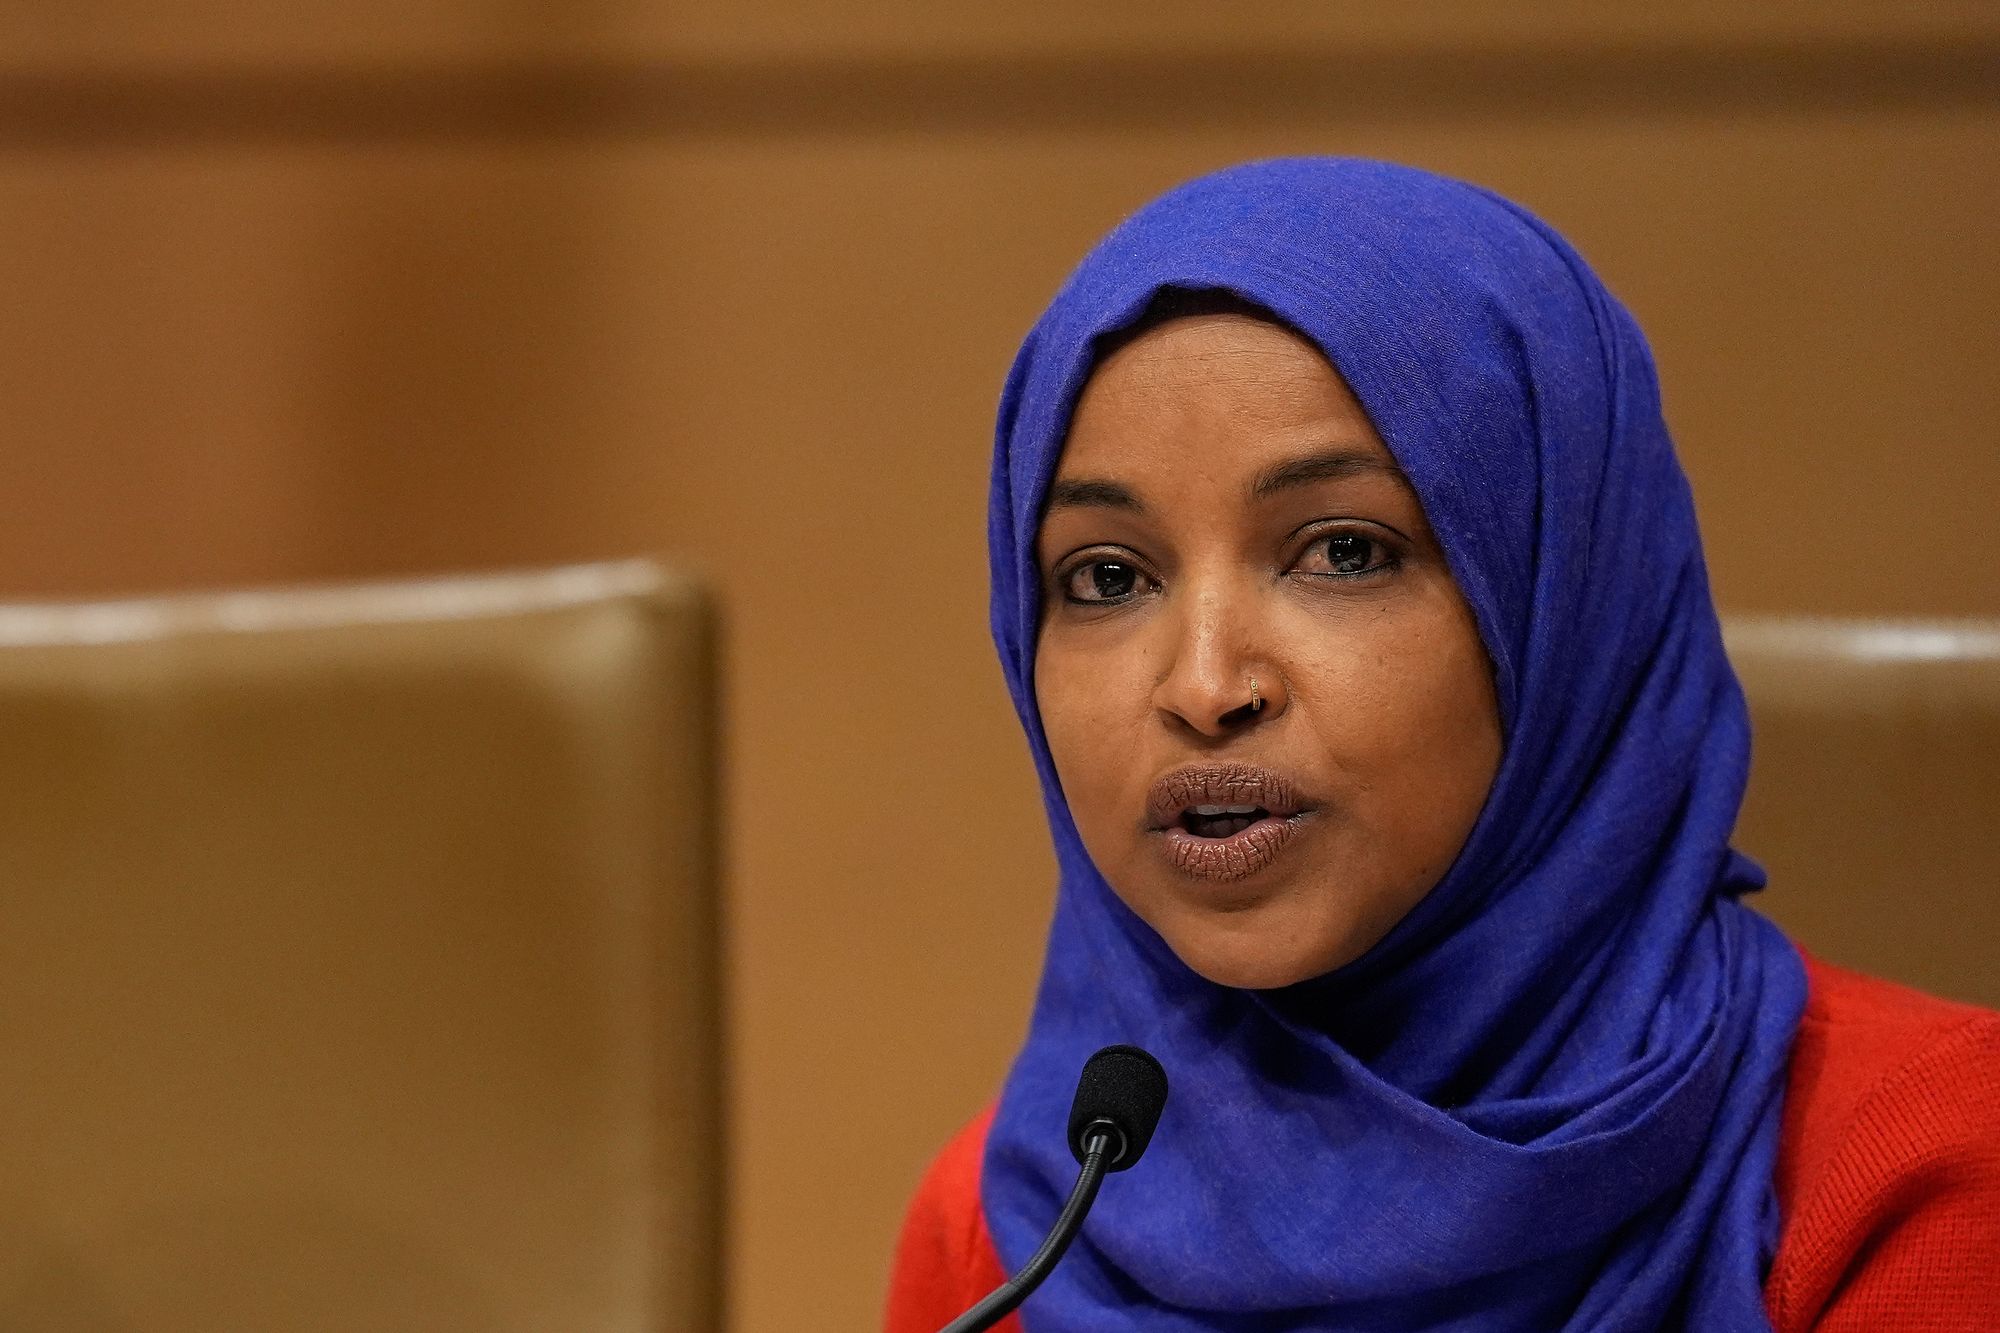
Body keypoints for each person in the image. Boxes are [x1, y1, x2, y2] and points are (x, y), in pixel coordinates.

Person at [882, 157, 2000, 1332]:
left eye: (1342, 551)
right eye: (1107, 575)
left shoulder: (1920, 1181)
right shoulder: (1017, 1224)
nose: (1204, 685)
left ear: (1562, 608)